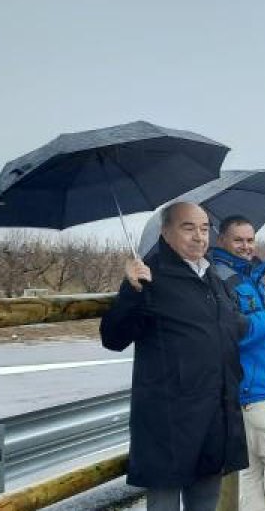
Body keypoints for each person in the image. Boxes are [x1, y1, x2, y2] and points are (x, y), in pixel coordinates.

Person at [101, 202, 248, 511]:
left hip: (214, 410)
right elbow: (113, 338)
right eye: (188, 227)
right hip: (169, 417)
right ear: (165, 232)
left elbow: (229, 328)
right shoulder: (150, 276)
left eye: (205, 228)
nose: (199, 237)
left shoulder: (213, 277)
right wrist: (132, 290)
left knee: (206, 501)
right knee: (164, 503)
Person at [209, 216, 265, 511]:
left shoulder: (252, 277)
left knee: (253, 469)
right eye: (238, 240)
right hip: (251, 389)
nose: (246, 246)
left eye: (250, 239)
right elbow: (235, 334)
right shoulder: (221, 278)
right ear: (222, 241)